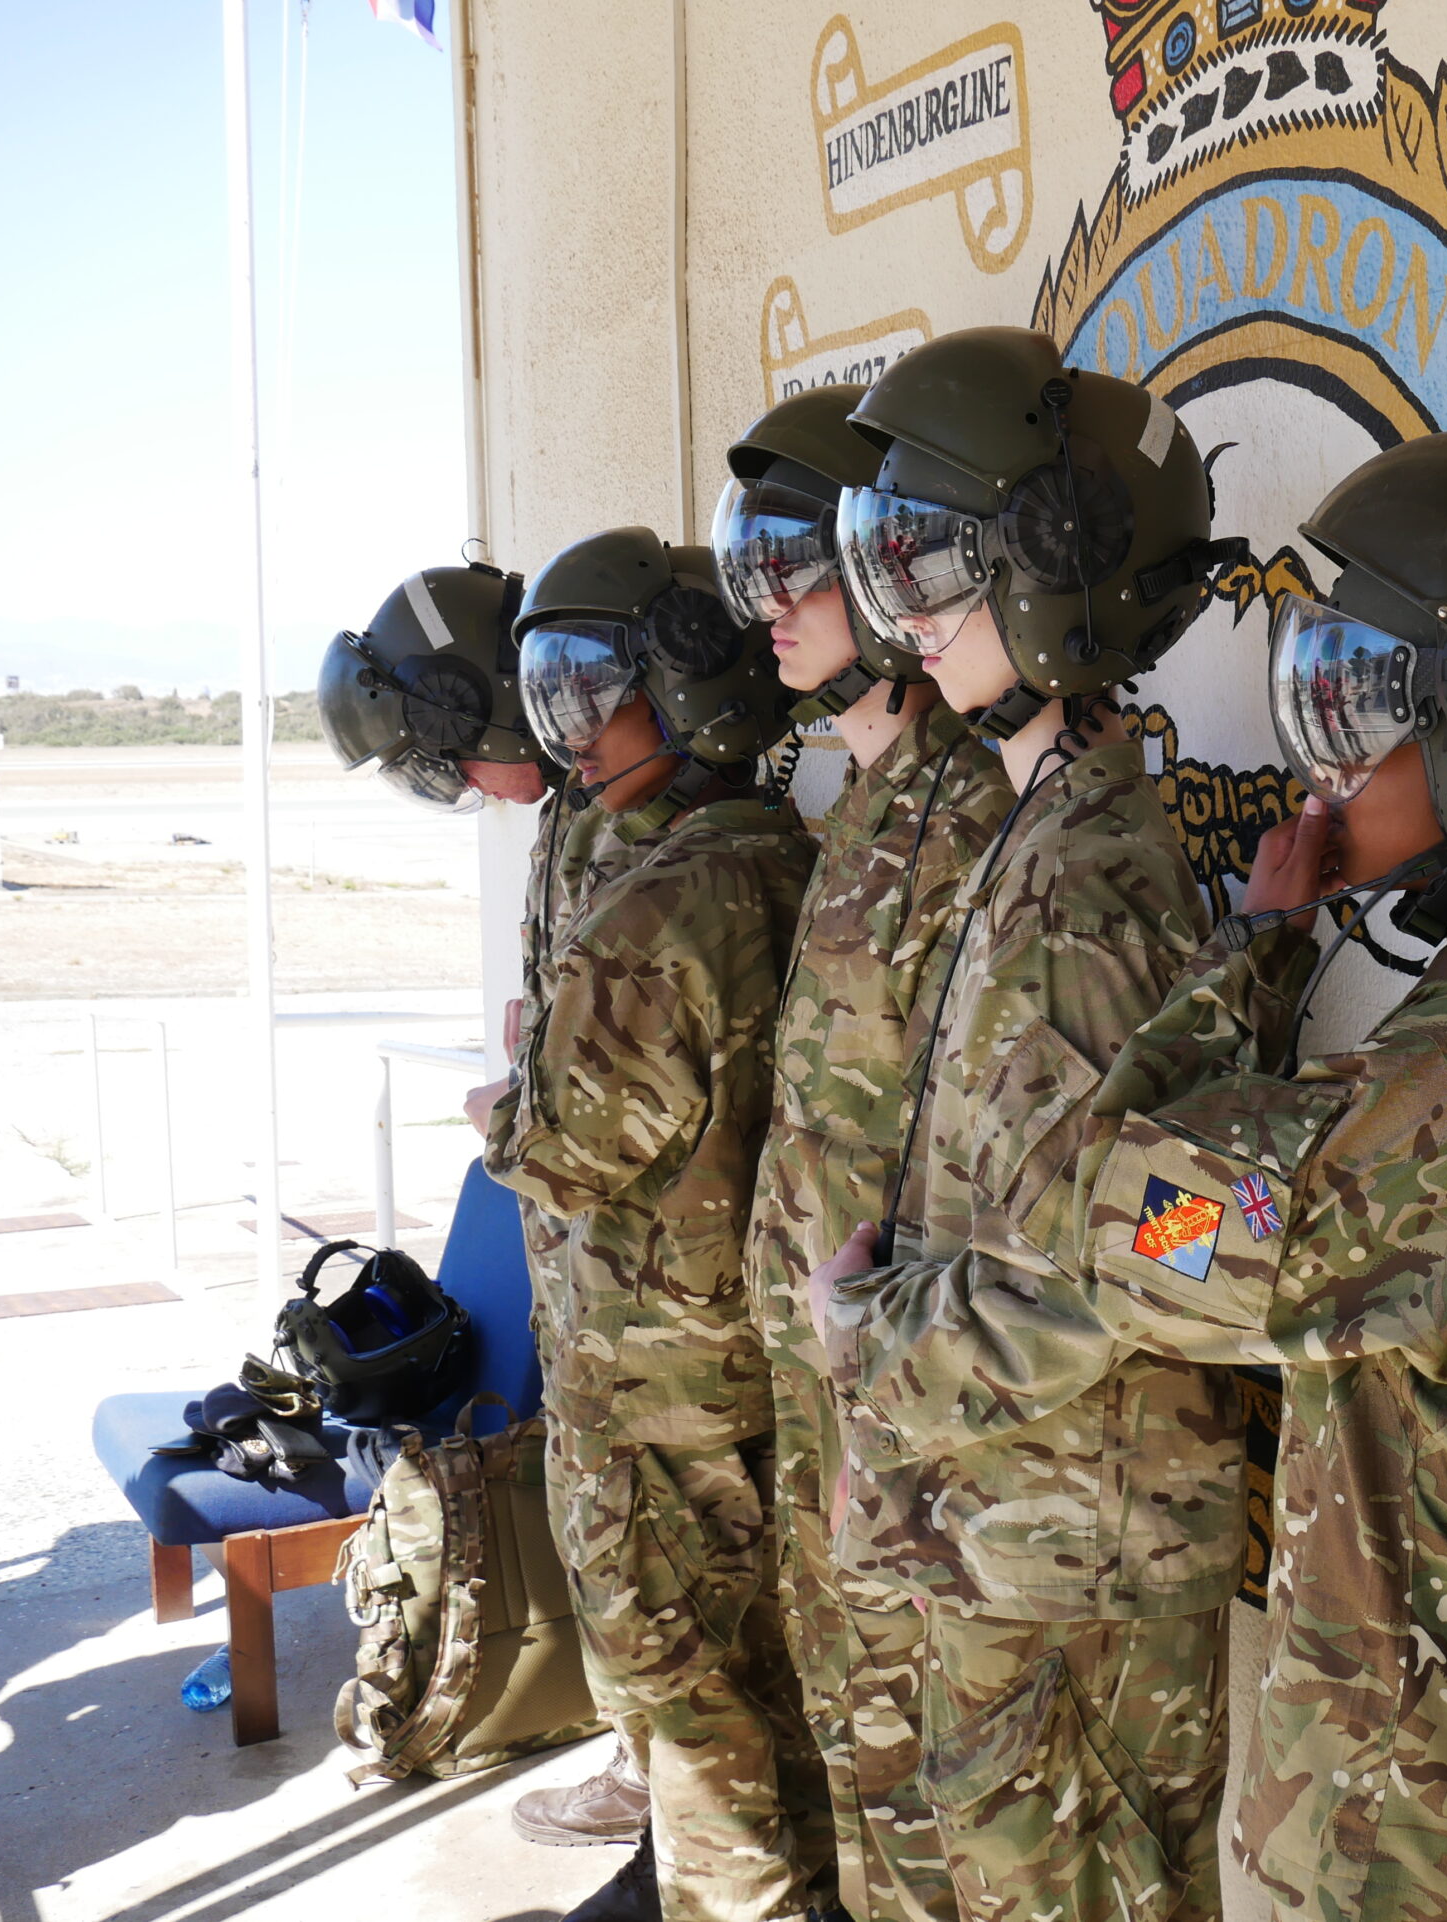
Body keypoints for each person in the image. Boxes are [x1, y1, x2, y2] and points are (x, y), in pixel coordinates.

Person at [846, 429, 1447, 1921]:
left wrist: (1254, 953)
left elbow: (1114, 1208)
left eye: (1368, 717)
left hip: (1416, 1812)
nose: (1323, 768)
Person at [804, 326, 1249, 1922]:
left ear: (1053, 565)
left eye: (937, 572)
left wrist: (867, 1335)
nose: (902, 620)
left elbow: (1153, 1251)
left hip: (1078, 1542)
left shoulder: (1089, 879)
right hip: (1025, 1518)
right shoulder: (1046, 833)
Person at [486, 527, 834, 1922]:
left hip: (653, 1380)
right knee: (767, 1685)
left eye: (591, 695)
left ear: (684, 693)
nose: (569, 738)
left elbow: (561, 1149)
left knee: (691, 1714)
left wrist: (506, 1096)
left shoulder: (654, 907)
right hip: (750, 1363)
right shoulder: (796, 856)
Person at [718, 384, 1014, 1922]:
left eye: (802, 566)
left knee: (906, 1738)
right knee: (845, 1699)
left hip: (895, 1382)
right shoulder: (866, 802)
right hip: (820, 1351)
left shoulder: (967, 812)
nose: (770, 607)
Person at [321, 568, 645, 1847]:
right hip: (597, 1269)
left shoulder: (645, 839)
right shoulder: (581, 823)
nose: (451, 784)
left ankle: (681, 1808)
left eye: (446, 755)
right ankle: (661, 1787)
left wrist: (515, 1111)